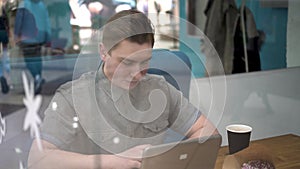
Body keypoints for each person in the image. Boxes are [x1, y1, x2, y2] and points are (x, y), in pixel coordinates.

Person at [28, 10, 219, 169]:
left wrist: (175, 158)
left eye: (144, 61)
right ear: (104, 52)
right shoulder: (71, 98)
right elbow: (38, 160)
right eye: (126, 62)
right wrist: (113, 161)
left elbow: (208, 131)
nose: (136, 73)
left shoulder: (158, 88)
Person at [14, 0, 51, 94]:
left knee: (29, 59)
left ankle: (37, 77)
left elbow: (19, 20)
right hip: (40, 36)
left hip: (27, 37)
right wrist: (48, 36)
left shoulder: (24, 4)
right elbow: (46, 21)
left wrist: (16, 35)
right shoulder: (42, 5)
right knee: (37, 57)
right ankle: (38, 76)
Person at [0, 0, 10, 94]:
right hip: (3, 34)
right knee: (5, 55)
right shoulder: (3, 8)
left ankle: (1, 75)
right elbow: (6, 23)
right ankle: (6, 76)